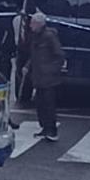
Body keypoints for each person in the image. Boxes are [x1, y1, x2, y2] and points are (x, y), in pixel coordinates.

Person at [27, 12, 64, 141]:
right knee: (40, 104)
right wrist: (28, 66)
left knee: (48, 105)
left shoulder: (49, 36)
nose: (30, 25)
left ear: (39, 24)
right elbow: (34, 55)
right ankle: (45, 128)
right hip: (38, 77)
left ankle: (52, 130)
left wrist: (51, 70)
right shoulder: (35, 37)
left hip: (48, 78)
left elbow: (59, 55)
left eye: (32, 23)